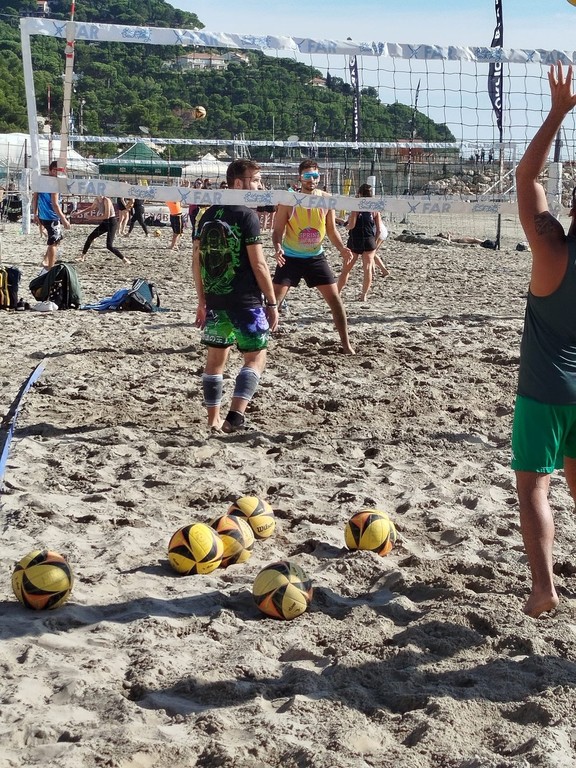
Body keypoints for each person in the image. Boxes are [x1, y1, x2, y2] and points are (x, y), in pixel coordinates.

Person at [513, 61, 576, 618]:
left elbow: (527, 178)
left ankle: (544, 588)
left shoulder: (552, 248)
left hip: (544, 388)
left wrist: (558, 113)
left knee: (534, 485)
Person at [193, 159, 278, 433]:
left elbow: (197, 261)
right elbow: (259, 264)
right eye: (256, 180)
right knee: (255, 357)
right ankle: (235, 417)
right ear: (239, 183)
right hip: (245, 300)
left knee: (215, 362)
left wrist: (202, 300)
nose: (260, 186)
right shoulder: (246, 215)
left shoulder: (206, 215)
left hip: (216, 299)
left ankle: (213, 420)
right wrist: (272, 302)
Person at [272, 159, 355, 354]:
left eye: (315, 175)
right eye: (308, 176)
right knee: (273, 302)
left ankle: (346, 344)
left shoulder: (326, 199)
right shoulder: (289, 200)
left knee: (335, 300)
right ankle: (260, 341)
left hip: (315, 257)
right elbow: (277, 230)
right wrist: (277, 247)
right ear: (300, 178)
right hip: (290, 257)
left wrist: (342, 248)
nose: (312, 179)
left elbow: (331, 229)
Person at [337, 183, 389, 301]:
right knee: (367, 269)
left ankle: (337, 293)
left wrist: (344, 225)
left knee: (346, 270)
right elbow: (379, 230)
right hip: (369, 240)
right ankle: (364, 295)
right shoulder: (374, 209)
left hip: (355, 240)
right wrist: (374, 242)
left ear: (359, 193)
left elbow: (351, 225)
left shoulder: (356, 207)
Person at [31, 160, 71, 268]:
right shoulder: (54, 184)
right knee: (53, 242)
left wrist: (35, 214)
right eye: (56, 170)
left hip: (43, 216)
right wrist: (64, 219)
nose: (58, 173)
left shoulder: (41, 181)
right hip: (51, 216)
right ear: (51, 170)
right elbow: (55, 204)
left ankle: (45, 260)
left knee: (55, 240)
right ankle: (50, 267)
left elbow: (35, 198)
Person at [77, 196, 130, 264]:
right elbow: (91, 208)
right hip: (105, 222)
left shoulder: (106, 200)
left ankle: (124, 259)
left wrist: (92, 218)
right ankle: (82, 257)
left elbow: (107, 216)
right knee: (90, 237)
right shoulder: (97, 199)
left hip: (111, 223)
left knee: (109, 246)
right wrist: (80, 213)